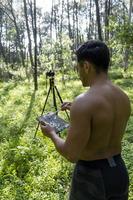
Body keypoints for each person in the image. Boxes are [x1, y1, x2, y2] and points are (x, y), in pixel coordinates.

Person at [40, 40, 131, 200]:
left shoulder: (84, 102)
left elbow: (70, 154)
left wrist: (52, 134)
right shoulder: (123, 97)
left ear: (86, 66)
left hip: (91, 177)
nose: (78, 73)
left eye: (78, 67)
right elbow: (104, 116)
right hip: (118, 172)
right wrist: (77, 107)